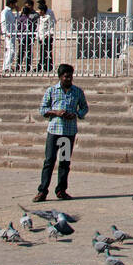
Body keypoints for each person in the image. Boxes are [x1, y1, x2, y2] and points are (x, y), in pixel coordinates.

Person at [35, 63, 88, 202]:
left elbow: (84, 108)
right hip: (54, 131)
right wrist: (56, 112)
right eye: (66, 77)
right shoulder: (52, 91)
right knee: (49, 161)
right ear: (60, 77)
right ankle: (42, 191)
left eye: (70, 76)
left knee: (64, 162)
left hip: (68, 132)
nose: (69, 79)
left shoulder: (77, 91)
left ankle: (61, 190)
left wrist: (76, 114)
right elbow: (43, 109)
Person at [36, 0, 55, 73]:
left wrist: (48, 34)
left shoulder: (48, 17)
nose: (39, 12)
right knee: (42, 52)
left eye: (40, 10)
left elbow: (51, 27)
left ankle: (49, 66)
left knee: (47, 52)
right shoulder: (40, 18)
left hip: (47, 37)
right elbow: (39, 27)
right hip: (41, 37)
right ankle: (41, 65)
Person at [1, 0, 19, 72]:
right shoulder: (5, 12)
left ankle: (7, 66)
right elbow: (3, 22)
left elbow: (16, 20)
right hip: (8, 34)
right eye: (14, 4)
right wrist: (6, 32)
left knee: (10, 50)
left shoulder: (10, 12)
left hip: (12, 33)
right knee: (11, 50)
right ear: (11, 4)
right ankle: (6, 67)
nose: (15, 6)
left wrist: (18, 12)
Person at [18, 0, 36, 72]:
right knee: (27, 52)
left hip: (21, 37)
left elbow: (18, 28)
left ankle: (19, 66)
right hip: (28, 37)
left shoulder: (20, 19)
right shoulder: (29, 20)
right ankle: (27, 67)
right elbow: (31, 28)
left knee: (21, 52)